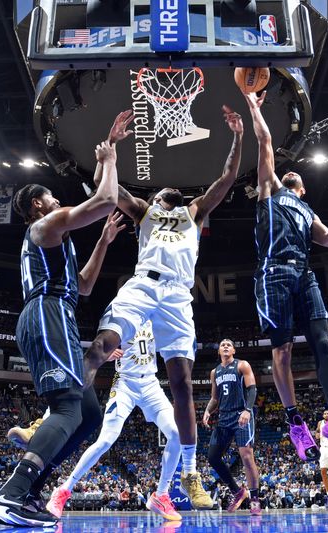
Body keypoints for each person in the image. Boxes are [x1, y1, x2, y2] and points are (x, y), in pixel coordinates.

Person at [81, 106, 244, 509]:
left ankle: (189, 473)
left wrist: (238, 138)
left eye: (165, 194)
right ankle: (56, 411)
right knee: (103, 345)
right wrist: (112, 152)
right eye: (156, 193)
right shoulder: (144, 212)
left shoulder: (194, 211)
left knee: (183, 383)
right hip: (144, 283)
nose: (162, 193)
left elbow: (227, 178)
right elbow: (110, 191)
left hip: (178, 295)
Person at [0, 122, 127, 527]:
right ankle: (10, 494)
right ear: (37, 206)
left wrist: (103, 241)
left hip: (57, 311)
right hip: (46, 313)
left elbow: (82, 286)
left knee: (89, 416)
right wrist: (110, 157)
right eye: (51, 196)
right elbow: (105, 200)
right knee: (66, 407)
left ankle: (28, 493)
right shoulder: (43, 227)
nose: (58, 198)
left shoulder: (54, 241)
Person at [241, 91, 328, 461]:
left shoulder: (305, 208)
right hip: (273, 273)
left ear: (304, 187)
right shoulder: (270, 189)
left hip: (303, 272)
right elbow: (265, 141)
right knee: (281, 350)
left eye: (296, 175)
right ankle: (295, 422)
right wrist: (253, 105)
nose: (291, 171)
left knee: (322, 340)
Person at [45, 322, 182, 521]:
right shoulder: (121, 315)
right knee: (105, 441)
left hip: (151, 383)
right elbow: (99, 346)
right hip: (125, 383)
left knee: (177, 435)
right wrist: (105, 356)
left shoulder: (158, 314)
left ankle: (161, 495)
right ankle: (64, 490)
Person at [203, 339, 262, 515]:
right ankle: (237, 491)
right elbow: (215, 398)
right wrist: (207, 411)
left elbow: (252, 389)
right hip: (224, 418)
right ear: (219, 351)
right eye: (222, 344)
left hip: (241, 415)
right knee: (213, 457)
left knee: (246, 456)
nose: (226, 346)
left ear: (234, 350)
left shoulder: (242, 365)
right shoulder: (215, 372)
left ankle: (255, 501)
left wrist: (248, 410)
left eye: (229, 344)